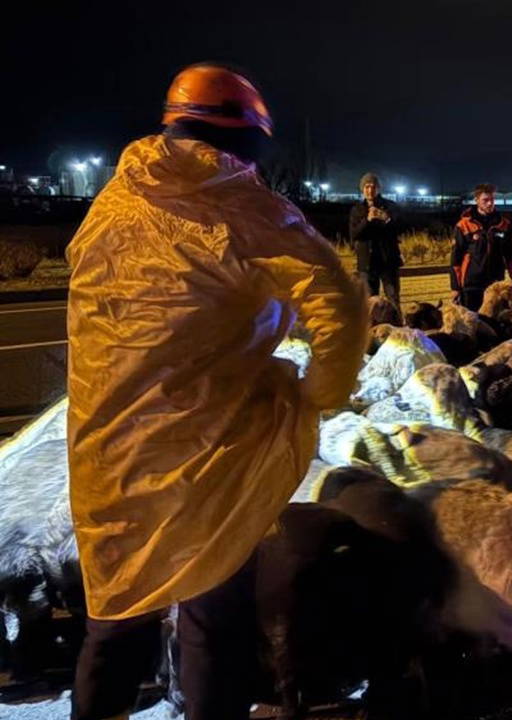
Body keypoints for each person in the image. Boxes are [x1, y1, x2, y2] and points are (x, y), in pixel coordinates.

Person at [64, 64, 366, 720]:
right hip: (207, 451)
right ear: (247, 139)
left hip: (108, 451)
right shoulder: (242, 204)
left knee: (118, 615)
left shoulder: (112, 203)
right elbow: (339, 300)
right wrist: (320, 393)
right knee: (212, 611)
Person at [452, 183, 512, 310]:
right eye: (485, 200)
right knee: (472, 322)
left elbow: (511, 257)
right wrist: (455, 288)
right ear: (476, 200)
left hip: (496, 284)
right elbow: (456, 259)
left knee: (495, 322)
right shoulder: (464, 225)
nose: (490, 203)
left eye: (492, 200)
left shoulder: (503, 224)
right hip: (471, 285)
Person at [348, 172, 403, 307]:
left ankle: (397, 325)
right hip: (367, 263)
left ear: (378, 188)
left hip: (388, 261)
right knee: (370, 302)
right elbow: (354, 234)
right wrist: (367, 220)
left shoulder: (391, 207)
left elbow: (400, 229)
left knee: (393, 298)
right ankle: (373, 327)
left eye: (373, 187)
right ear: (362, 189)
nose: (370, 190)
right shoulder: (357, 210)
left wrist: (387, 219)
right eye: (367, 187)